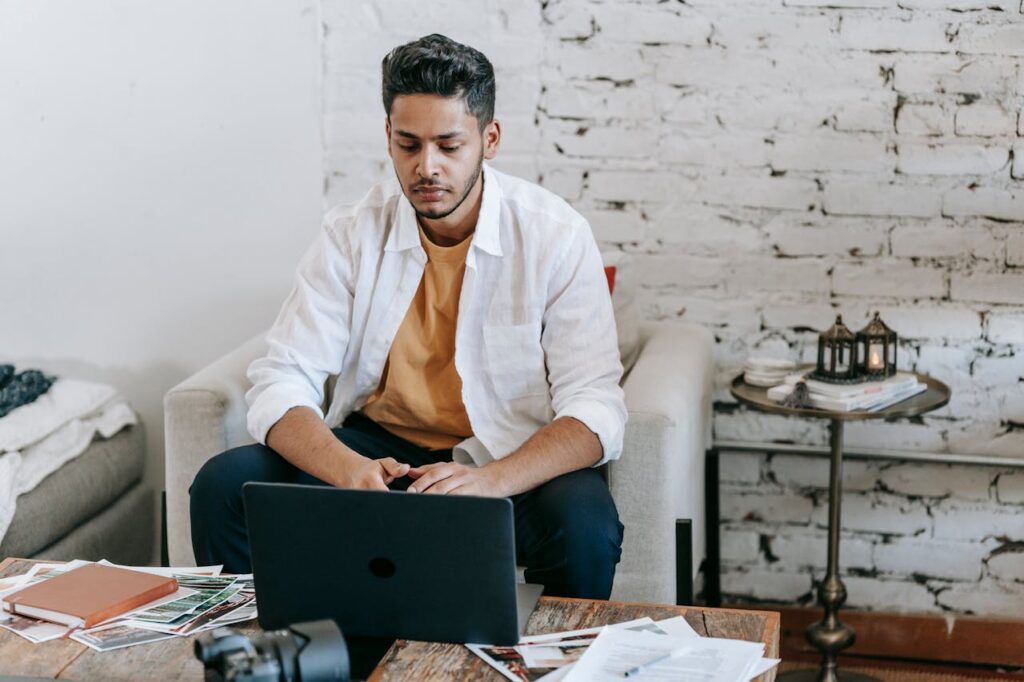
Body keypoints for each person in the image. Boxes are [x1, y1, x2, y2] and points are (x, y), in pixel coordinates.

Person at [189, 33, 627, 600]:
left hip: (505, 460)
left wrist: (491, 481)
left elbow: (595, 406)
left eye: (449, 145)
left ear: (489, 139)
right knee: (224, 486)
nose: (427, 167)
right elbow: (281, 381)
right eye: (409, 144)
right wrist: (350, 471)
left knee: (586, 525)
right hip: (382, 456)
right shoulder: (350, 233)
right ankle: (280, 654)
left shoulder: (554, 235)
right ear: (389, 140)